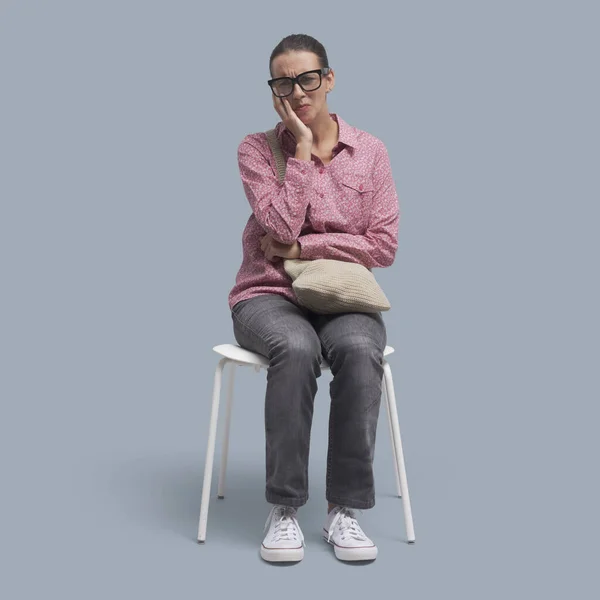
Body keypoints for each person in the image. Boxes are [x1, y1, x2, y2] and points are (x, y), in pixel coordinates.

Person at [228, 34, 400, 563]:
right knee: (297, 350)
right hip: (268, 293)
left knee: (357, 349)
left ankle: (343, 509)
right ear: (273, 90)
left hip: (342, 297)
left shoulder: (369, 151)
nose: (298, 91)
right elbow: (274, 224)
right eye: (284, 82)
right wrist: (300, 148)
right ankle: (284, 509)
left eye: (307, 78)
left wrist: (306, 245)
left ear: (328, 78)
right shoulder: (257, 150)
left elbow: (384, 245)